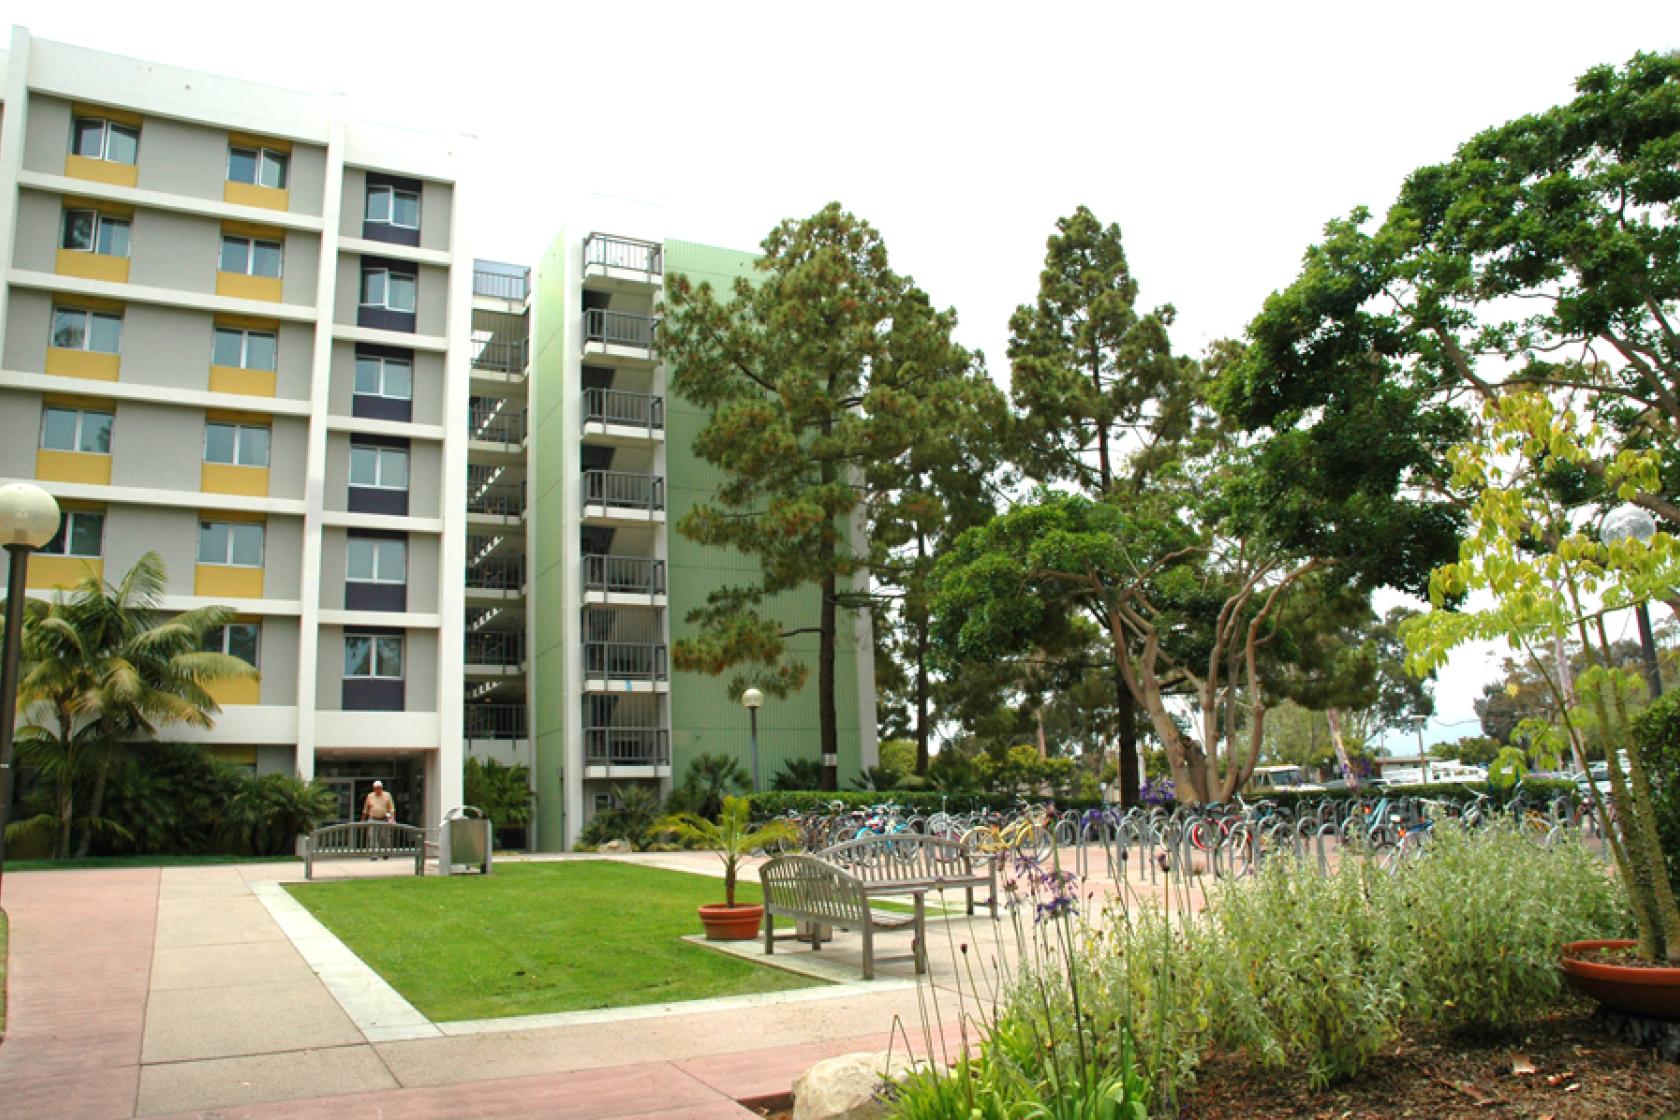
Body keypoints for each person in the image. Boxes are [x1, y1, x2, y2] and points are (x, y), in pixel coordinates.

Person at [362, 780, 396, 860]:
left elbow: (391, 809)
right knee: (372, 837)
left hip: (384, 818)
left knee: (385, 837)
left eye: (379, 788)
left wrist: (392, 818)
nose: (377, 790)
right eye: (376, 788)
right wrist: (363, 820)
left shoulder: (387, 795)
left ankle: (385, 853)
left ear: (382, 788)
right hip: (372, 818)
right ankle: (374, 855)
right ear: (374, 789)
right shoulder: (370, 796)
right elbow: (365, 809)